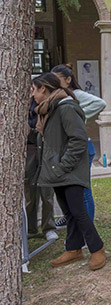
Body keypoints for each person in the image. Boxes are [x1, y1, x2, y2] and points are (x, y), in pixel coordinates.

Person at [32, 73, 106, 270]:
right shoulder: (48, 110)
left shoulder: (65, 107)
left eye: (34, 90)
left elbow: (78, 139)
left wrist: (63, 165)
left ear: (44, 89)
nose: (32, 95)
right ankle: (73, 249)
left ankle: (97, 249)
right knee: (69, 212)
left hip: (68, 170)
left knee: (78, 211)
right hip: (57, 170)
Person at [52, 64, 107, 225]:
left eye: (57, 79)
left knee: (83, 189)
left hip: (82, 147)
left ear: (68, 80)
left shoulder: (77, 94)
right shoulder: (59, 96)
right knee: (67, 188)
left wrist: (78, 115)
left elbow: (100, 103)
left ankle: (87, 225)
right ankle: (69, 217)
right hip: (66, 148)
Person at [25, 97, 58, 241]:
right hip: (28, 153)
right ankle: (30, 229)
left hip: (45, 151)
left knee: (47, 194)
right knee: (30, 195)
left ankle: (48, 227)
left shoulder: (44, 106)